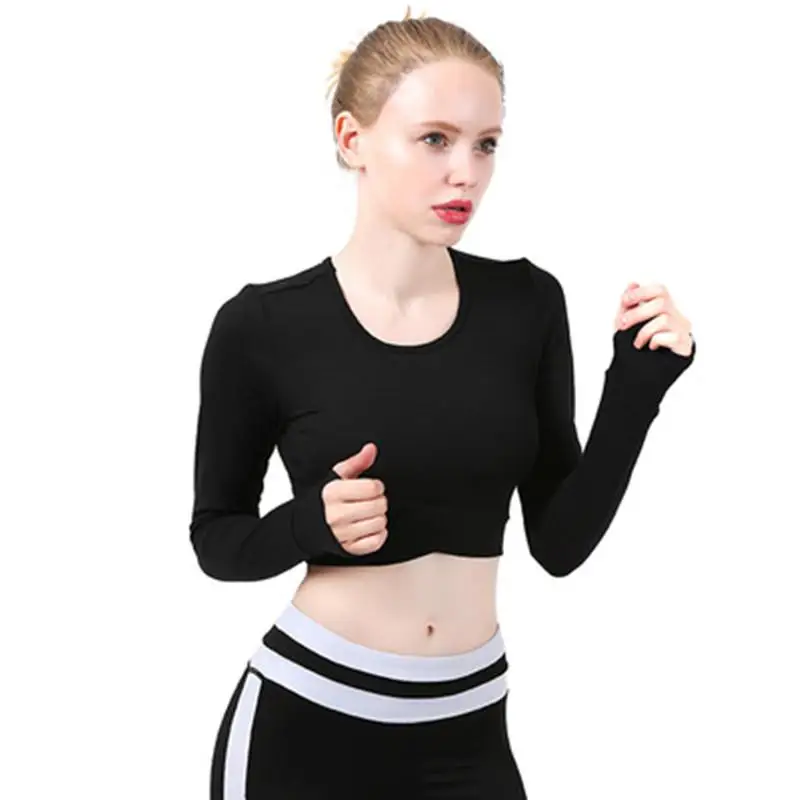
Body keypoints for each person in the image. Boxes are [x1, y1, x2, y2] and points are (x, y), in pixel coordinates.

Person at [189, 6, 696, 798]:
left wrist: (637, 389)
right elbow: (215, 539)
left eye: (486, 143)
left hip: (470, 732)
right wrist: (308, 524)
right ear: (352, 139)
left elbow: (559, 543)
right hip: (308, 728)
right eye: (434, 139)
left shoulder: (526, 304)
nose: (467, 172)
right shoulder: (263, 325)